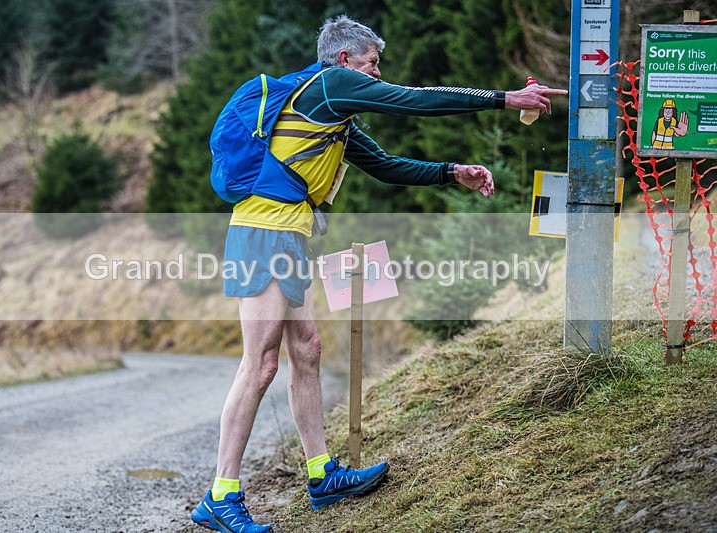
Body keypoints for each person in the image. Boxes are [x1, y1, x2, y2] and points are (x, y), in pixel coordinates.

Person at [191, 14, 567, 533]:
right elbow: (412, 99)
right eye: (372, 62)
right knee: (259, 365)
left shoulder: (334, 117)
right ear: (344, 59)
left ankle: (322, 474)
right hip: (261, 232)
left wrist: (449, 172)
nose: (377, 72)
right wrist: (506, 98)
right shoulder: (329, 85)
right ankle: (221, 493)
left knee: (307, 350)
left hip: (289, 234)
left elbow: (385, 165)